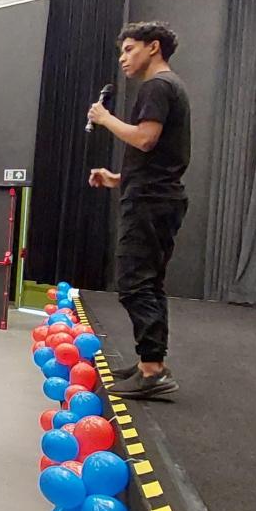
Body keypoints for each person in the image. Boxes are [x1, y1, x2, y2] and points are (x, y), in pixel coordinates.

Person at [87, 21, 191, 399]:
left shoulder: (157, 86)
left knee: (134, 283)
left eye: (129, 49)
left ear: (154, 47)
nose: (123, 58)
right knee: (149, 282)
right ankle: (152, 361)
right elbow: (161, 154)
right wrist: (118, 178)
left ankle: (152, 371)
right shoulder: (169, 86)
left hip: (150, 200)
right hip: (158, 195)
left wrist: (105, 119)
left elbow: (146, 140)